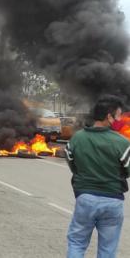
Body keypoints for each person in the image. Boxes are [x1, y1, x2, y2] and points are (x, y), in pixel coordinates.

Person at [65, 95, 130, 257]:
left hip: (85, 198)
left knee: (77, 243)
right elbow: (128, 170)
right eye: (118, 115)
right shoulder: (122, 142)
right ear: (109, 116)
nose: (119, 119)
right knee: (108, 250)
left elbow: (72, 164)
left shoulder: (76, 139)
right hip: (113, 201)